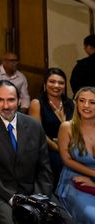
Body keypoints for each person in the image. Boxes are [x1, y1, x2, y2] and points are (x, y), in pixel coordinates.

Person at [0, 80, 53, 223]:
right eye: (0, 100)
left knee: (64, 219)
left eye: (10, 100)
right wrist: (13, 198)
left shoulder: (34, 125)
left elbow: (44, 168)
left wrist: (39, 198)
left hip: (33, 192)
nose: (6, 106)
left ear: (19, 100)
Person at [29, 68, 74, 186]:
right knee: (59, 162)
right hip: (48, 148)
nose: (56, 85)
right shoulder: (37, 103)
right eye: (52, 81)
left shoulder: (71, 103)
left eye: (61, 83)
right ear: (45, 84)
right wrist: (60, 149)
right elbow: (39, 133)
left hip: (70, 147)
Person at [56, 86, 95, 223]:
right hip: (74, 180)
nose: (86, 106)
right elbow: (66, 159)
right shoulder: (67, 127)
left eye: (92, 102)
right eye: (82, 101)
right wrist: (93, 174)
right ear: (76, 103)